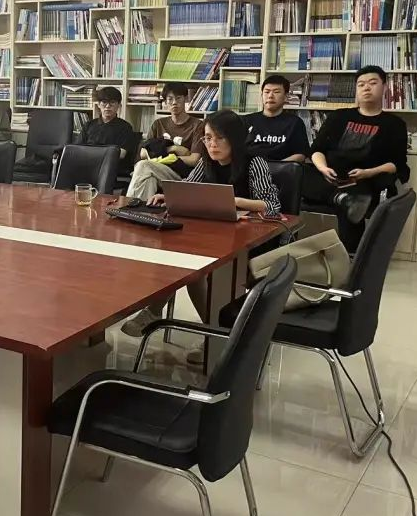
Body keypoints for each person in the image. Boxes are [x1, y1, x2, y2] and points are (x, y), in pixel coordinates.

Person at [122, 109, 282, 336]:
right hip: (213, 236)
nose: (212, 144)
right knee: (181, 261)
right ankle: (213, 334)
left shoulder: (254, 162)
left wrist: (236, 201)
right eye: (207, 138)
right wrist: (168, 196)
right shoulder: (206, 161)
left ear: (234, 138)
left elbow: (272, 205)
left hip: (248, 242)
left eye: (219, 138)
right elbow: (189, 187)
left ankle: (205, 332)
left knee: (192, 271)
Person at [302, 65, 409, 251]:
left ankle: (352, 253)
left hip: (361, 180)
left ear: (384, 87)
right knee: (298, 173)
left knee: (355, 201)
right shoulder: (339, 117)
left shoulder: (394, 124)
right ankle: (340, 197)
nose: (366, 88)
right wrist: (323, 168)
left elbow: (396, 164)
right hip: (329, 176)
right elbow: (317, 150)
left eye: (372, 83)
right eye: (361, 84)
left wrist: (368, 172)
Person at [125, 82, 205, 200]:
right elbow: (143, 153)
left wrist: (158, 155)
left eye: (178, 98)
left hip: (182, 175)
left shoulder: (197, 125)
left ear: (186, 99)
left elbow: (194, 160)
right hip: (156, 170)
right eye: (170, 99)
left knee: (144, 166)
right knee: (148, 178)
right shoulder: (158, 124)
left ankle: (128, 206)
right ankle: (145, 210)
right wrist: (173, 149)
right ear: (165, 102)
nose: (174, 103)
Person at [243, 75, 310, 162]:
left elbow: (301, 154)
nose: (270, 96)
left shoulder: (295, 123)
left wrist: (278, 166)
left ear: (286, 97)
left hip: (283, 168)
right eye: (267, 92)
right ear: (261, 95)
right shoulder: (246, 121)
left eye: (276, 92)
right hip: (250, 168)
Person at [76, 86, 135, 159]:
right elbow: (77, 148)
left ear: (119, 105)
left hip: (110, 163)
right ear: (98, 104)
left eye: (112, 102)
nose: (107, 106)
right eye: (104, 102)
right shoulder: (89, 125)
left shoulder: (125, 127)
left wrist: (93, 152)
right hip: (87, 161)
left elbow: (122, 154)